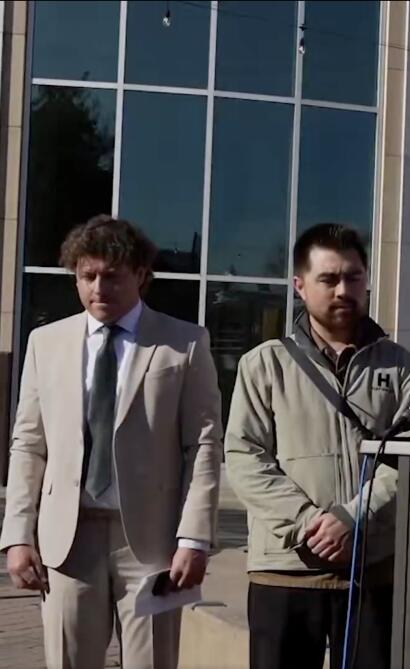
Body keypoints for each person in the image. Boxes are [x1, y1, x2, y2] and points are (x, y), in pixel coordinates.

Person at [1, 215, 223, 668]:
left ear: (140, 275)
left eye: (112, 276)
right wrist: (18, 535)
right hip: (67, 539)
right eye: (87, 276)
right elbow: (29, 444)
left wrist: (195, 537)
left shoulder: (184, 343)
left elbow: (202, 445)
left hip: (153, 543)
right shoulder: (46, 343)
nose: (98, 288)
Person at [224, 223, 410, 669]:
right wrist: (309, 522)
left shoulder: (402, 368)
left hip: (372, 572)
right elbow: (244, 457)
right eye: (328, 279)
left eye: (353, 277)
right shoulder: (264, 365)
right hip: (285, 572)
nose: (343, 290)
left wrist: (353, 517)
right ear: (300, 285)